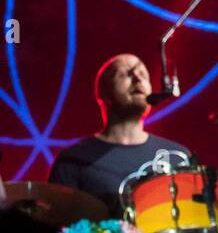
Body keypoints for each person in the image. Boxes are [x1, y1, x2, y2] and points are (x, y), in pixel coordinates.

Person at [48, 53, 191, 217]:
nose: (137, 79)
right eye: (125, 74)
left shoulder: (178, 157)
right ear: (104, 93)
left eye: (143, 75)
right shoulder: (73, 160)